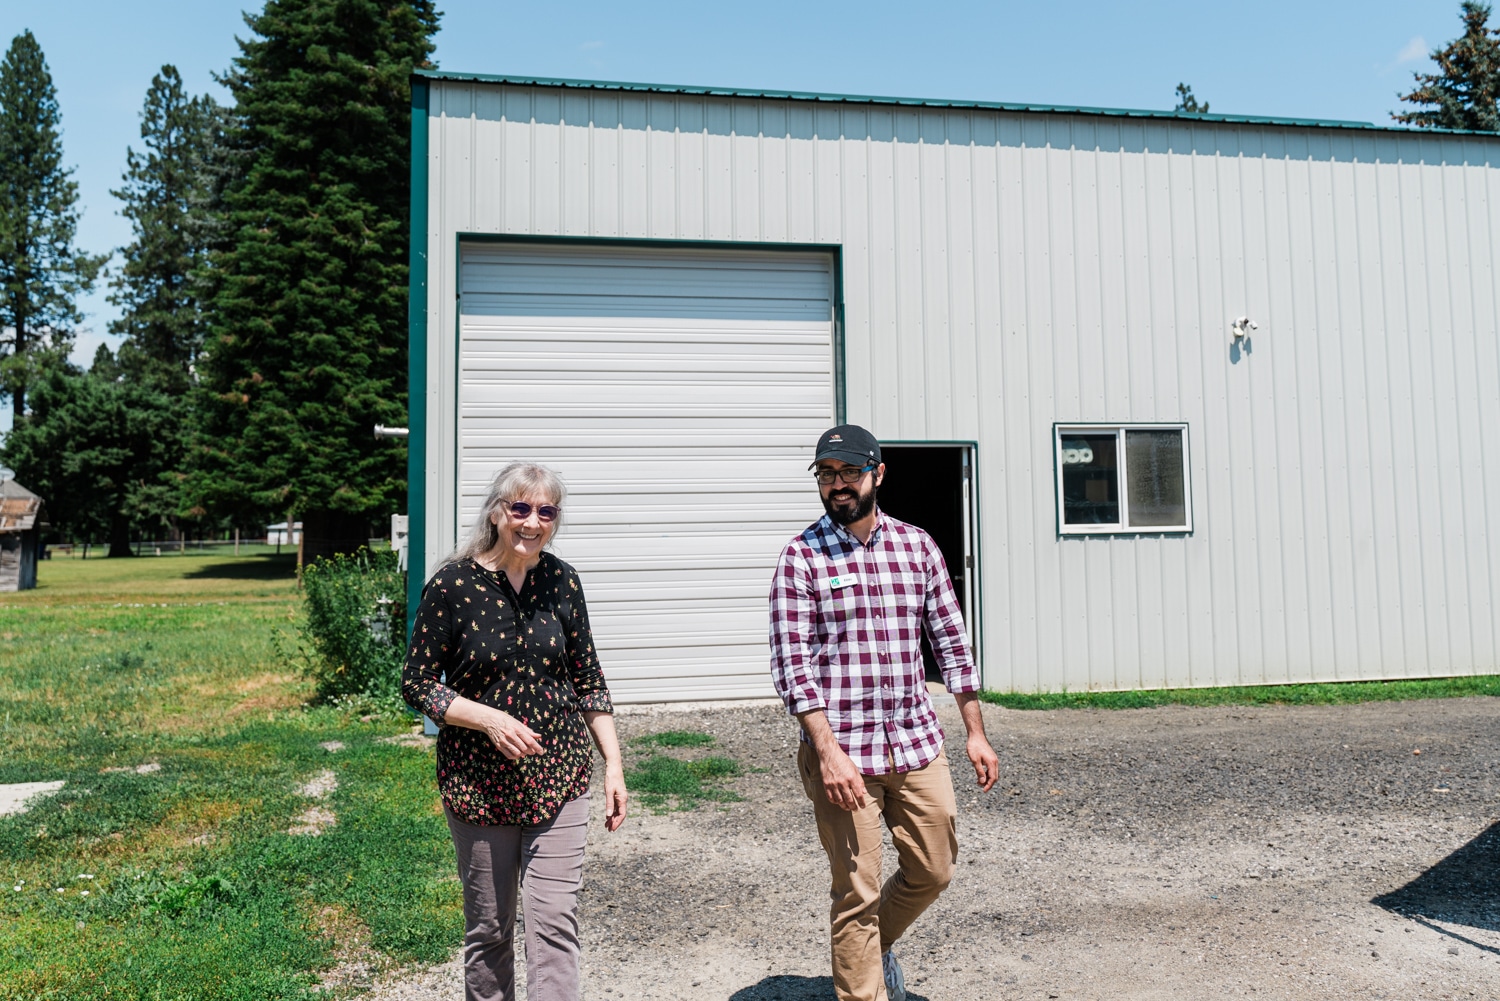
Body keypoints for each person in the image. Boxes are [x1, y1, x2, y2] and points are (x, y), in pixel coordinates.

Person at [769, 424, 1000, 1001]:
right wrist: (827, 753)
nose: (838, 485)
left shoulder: (917, 546)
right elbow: (792, 668)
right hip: (843, 753)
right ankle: (863, 989)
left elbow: (951, 640)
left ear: (877, 474)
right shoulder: (802, 558)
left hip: (916, 743)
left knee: (934, 869)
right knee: (857, 892)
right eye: (827, 475)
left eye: (849, 473)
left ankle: (872, 950)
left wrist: (975, 731)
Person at [403, 461, 627, 1001]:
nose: (531, 522)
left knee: (553, 924)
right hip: (478, 785)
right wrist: (488, 719)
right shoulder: (452, 584)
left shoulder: (563, 581)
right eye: (520, 508)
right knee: (490, 930)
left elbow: (588, 678)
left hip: (560, 777)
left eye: (545, 511)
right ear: (497, 513)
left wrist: (614, 765)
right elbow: (416, 682)